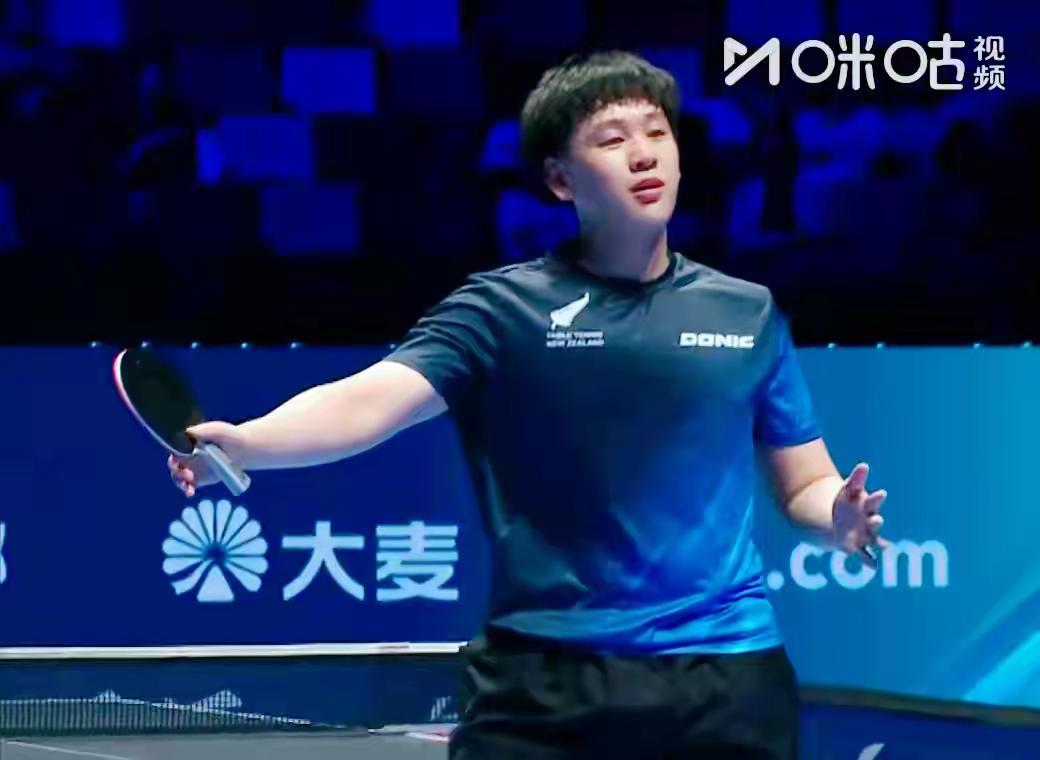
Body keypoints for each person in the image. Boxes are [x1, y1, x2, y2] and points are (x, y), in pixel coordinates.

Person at [170, 51, 889, 759]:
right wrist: (250, 442)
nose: (644, 154)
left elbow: (803, 481)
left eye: (657, 132)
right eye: (612, 139)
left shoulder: (747, 312)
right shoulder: (502, 311)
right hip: (545, 681)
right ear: (559, 179)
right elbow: (369, 400)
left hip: (725, 679)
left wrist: (837, 516)